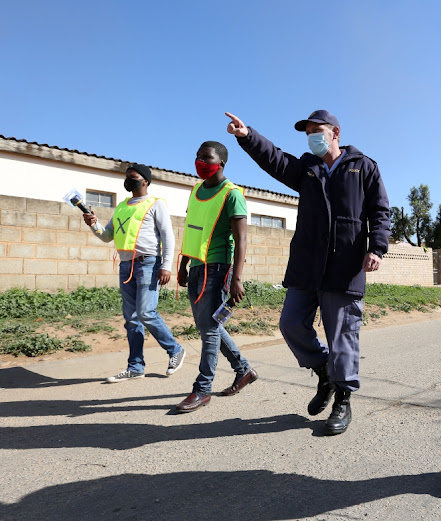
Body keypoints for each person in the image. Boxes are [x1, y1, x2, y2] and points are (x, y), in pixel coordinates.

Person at [225, 109, 390, 435]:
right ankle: (324, 372)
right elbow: (275, 159)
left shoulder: (363, 167)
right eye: (307, 132)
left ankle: (343, 397)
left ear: (335, 132)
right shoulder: (307, 169)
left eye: (317, 130)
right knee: (290, 324)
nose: (312, 136)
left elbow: (380, 211)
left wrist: (377, 248)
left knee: (342, 337)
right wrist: (248, 136)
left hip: (344, 268)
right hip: (306, 266)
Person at [174, 141, 258, 413]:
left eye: (206, 157)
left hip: (219, 269)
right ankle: (243, 370)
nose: (200, 161)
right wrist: (184, 263)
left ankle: (202, 388)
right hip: (197, 267)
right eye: (197, 156)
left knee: (209, 329)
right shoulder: (196, 190)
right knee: (208, 326)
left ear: (220, 162)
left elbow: (242, 239)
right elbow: (192, 229)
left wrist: (237, 278)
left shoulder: (232, 194)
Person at [83, 164, 185, 382]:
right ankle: (135, 366)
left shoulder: (156, 204)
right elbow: (107, 235)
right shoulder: (121, 206)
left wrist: (166, 265)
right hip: (126, 265)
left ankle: (175, 349)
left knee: (146, 312)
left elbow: (168, 237)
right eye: (127, 177)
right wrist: (94, 224)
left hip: (148, 264)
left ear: (145, 180)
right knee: (131, 319)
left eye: (133, 176)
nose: (129, 179)